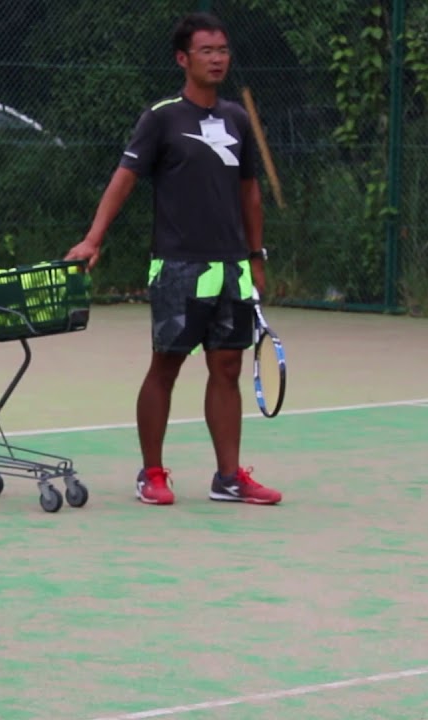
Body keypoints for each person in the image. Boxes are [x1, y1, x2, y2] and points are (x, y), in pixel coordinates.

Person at [65, 13, 282, 507]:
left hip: (232, 266)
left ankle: (228, 478)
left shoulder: (238, 120)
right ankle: (152, 473)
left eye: (223, 50)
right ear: (183, 59)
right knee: (166, 366)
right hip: (178, 266)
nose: (217, 58)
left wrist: (255, 257)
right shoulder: (161, 118)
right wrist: (93, 239)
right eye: (206, 51)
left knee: (226, 367)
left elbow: (251, 193)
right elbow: (124, 179)